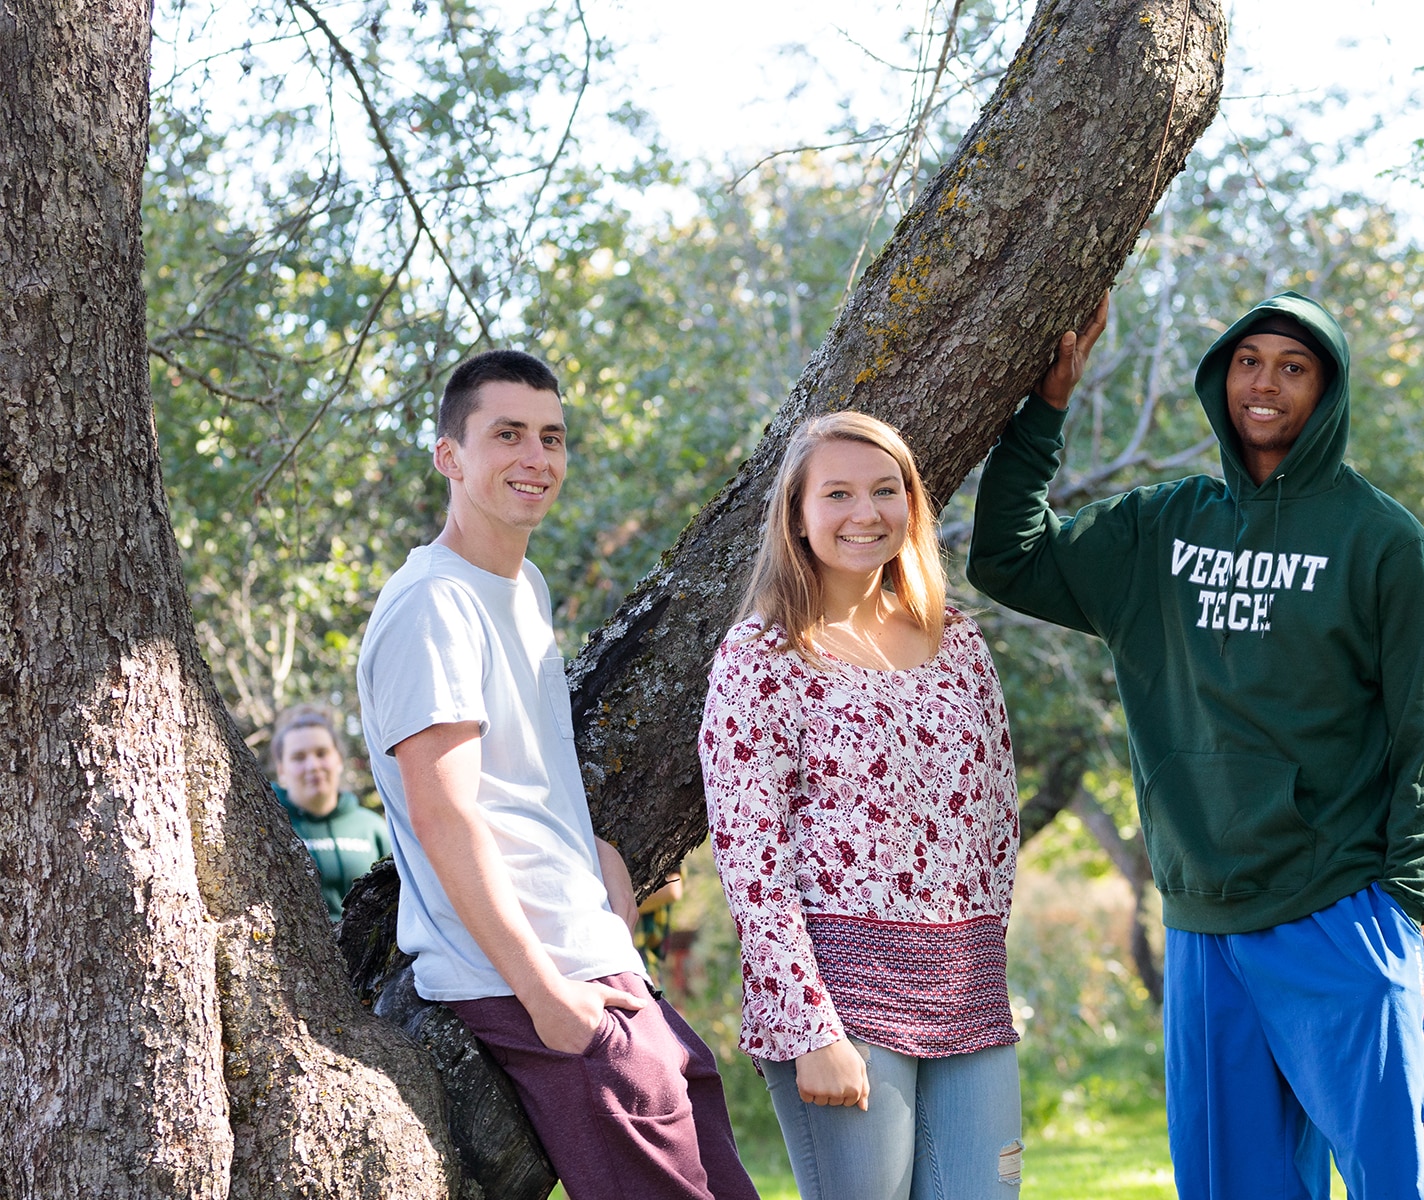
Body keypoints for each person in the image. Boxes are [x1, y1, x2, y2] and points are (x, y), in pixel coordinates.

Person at [967, 291, 1424, 1200]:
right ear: (1221, 379)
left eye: (1293, 366)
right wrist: (1043, 411)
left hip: (1338, 911)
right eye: (1249, 362)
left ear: (1328, 390)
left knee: (1403, 1179)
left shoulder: (1384, 545)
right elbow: (1008, 557)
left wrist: (1401, 900)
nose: (1265, 384)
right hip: (1203, 919)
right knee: (1232, 1188)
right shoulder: (1161, 528)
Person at [355, 349, 758, 1200]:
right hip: (529, 974)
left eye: (552, 437)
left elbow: (517, 783)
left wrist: (599, 869)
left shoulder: (520, 586)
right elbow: (446, 817)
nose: (536, 459)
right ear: (449, 456)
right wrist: (543, 994)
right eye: (508, 435)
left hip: (592, 954)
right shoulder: (434, 606)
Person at [699, 412, 1024, 1200]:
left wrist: (978, 960)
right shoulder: (763, 656)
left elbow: (998, 824)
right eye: (837, 493)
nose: (864, 513)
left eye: (885, 491)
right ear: (798, 515)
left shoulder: (957, 642)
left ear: (911, 506)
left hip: (965, 987)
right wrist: (810, 1026)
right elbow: (750, 856)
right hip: (837, 993)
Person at [267, 702, 391, 919]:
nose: (313, 765)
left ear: (339, 760)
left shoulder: (373, 829)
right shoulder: (270, 830)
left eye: (321, 753)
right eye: (298, 757)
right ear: (281, 771)